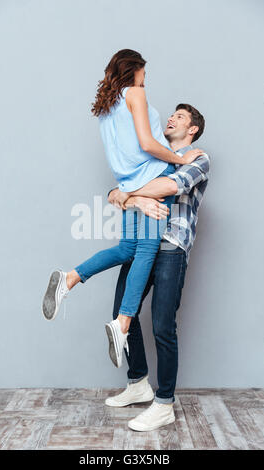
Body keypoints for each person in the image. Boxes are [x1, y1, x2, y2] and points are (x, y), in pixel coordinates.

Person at [42, 49, 203, 370]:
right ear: (135, 69)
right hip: (154, 174)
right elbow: (146, 143)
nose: (146, 77)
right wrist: (180, 159)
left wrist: (128, 193)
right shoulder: (136, 94)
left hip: (128, 179)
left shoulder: (107, 106)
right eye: (144, 70)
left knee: (128, 248)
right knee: (143, 252)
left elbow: (123, 155)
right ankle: (123, 324)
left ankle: (70, 278)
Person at [105, 103, 210, 431]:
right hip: (140, 244)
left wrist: (129, 195)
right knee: (122, 314)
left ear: (192, 129)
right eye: (172, 114)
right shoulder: (153, 156)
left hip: (171, 249)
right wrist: (126, 195)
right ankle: (138, 382)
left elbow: (169, 187)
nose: (171, 119)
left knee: (163, 325)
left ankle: (164, 403)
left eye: (180, 117)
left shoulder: (198, 159)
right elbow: (112, 193)